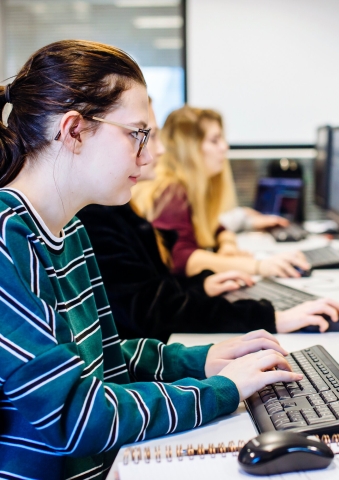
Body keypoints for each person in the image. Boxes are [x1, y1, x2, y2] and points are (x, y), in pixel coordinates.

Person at [0, 40, 304, 480]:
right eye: (136, 134)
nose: (149, 155)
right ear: (74, 131)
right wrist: (222, 390)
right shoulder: (8, 238)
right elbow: (74, 418)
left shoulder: (71, 228)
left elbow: (106, 359)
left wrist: (201, 360)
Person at [77, 102, 339, 342]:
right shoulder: (122, 208)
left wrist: (202, 283)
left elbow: (156, 289)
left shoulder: (120, 210)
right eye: (141, 135)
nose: (155, 152)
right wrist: (268, 307)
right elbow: (160, 295)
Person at [131, 105, 310, 278]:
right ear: (189, 148)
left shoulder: (191, 190)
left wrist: (227, 245)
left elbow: (216, 227)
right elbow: (182, 258)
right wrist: (260, 266)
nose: (224, 147)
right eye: (214, 140)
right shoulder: (171, 194)